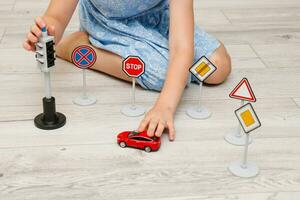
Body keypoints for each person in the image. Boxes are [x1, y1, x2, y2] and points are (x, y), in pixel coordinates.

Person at [23, 0, 231, 141]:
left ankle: (88, 48)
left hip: (158, 20)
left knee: (218, 67)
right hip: (110, 23)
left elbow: (181, 46)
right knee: (160, 75)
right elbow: (56, 17)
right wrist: (48, 31)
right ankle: (73, 47)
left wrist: (165, 106)